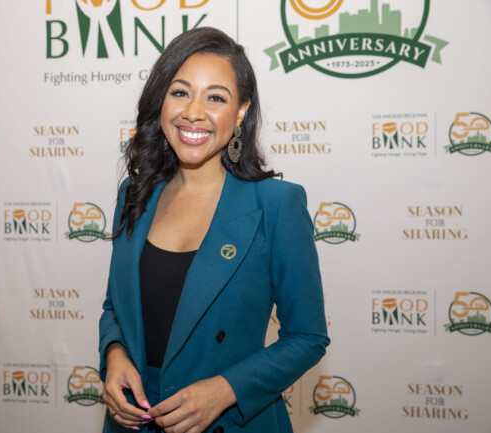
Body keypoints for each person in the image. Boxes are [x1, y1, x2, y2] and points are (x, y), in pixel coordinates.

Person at [98, 27, 329, 433]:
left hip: (232, 422)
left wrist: (225, 390)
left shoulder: (276, 205)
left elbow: (307, 337)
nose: (193, 111)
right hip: (135, 420)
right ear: (161, 101)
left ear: (241, 111)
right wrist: (114, 352)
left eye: (216, 97)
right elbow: (115, 307)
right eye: (180, 92)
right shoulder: (134, 195)